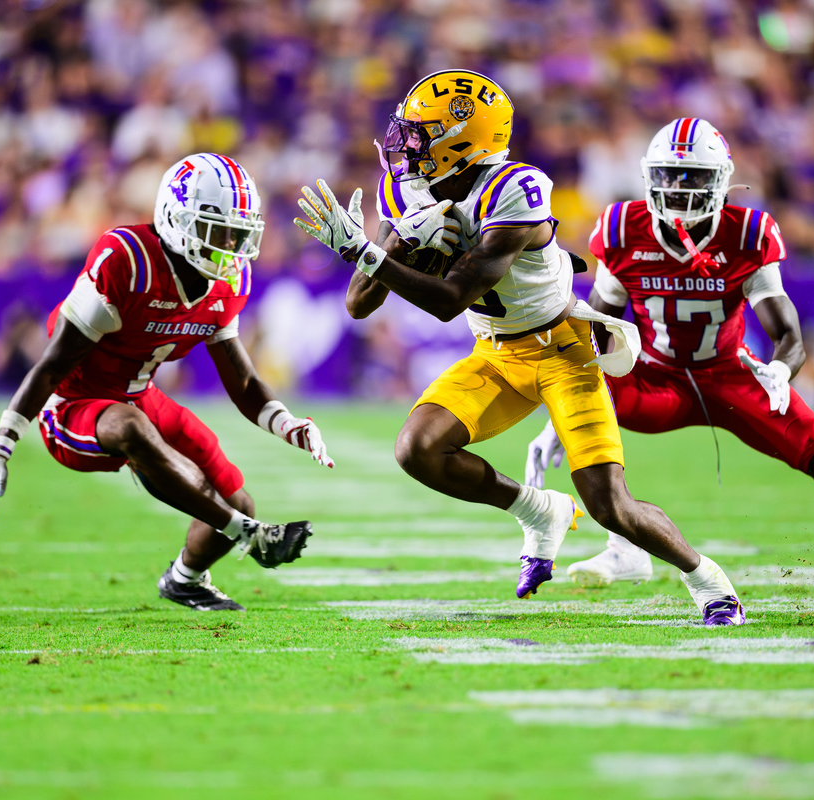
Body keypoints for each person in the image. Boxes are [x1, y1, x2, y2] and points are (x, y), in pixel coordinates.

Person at [295, 71, 747, 625]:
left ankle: (708, 581)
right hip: (496, 353)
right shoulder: (409, 190)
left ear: (465, 139)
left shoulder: (515, 188)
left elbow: (450, 298)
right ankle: (540, 511)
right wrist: (386, 245)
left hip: (563, 352)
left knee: (610, 504)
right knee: (417, 448)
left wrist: (367, 252)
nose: (405, 145)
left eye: (421, 134)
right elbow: (359, 304)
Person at [526, 119, 814, 602]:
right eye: (669, 175)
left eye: (694, 177)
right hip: (654, 379)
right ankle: (625, 547)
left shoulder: (746, 233)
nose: (679, 189)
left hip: (730, 376)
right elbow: (600, 333)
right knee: (586, 415)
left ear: (721, 180)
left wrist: (782, 370)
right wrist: (569, 411)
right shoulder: (622, 228)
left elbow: (789, 335)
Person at [0, 153, 333, 611]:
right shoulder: (126, 261)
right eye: (218, 230)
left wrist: (289, 424)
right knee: (129, 427)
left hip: (140, 396)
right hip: (72, 405)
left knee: (238, 498)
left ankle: (186, 578)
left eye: (237, 233)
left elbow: (241, 381)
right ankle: (246, 535)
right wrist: (2, 446)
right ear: (176, 219)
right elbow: (51, 365)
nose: (231, 246)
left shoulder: (226, 283)